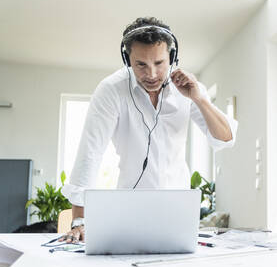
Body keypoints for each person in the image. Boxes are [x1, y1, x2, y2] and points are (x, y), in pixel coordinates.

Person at [60, 17, 237, 243]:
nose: (151, 74)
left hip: (178, 210)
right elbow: (90, 152)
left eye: (159, 63)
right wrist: (79, 221)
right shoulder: (111, 90)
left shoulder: (189, 88)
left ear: (172, 58)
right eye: (141, 64)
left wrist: (199, 99)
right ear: (127, 60)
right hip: (129, 209)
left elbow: (225, 139)